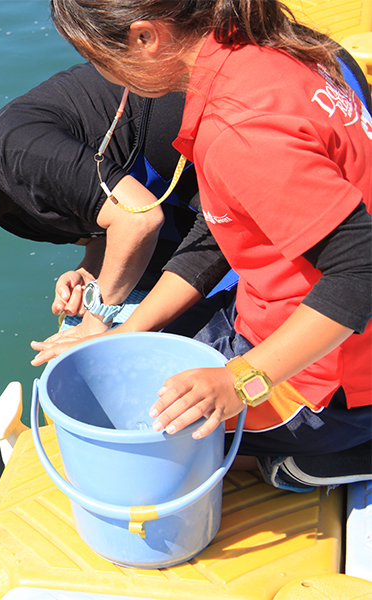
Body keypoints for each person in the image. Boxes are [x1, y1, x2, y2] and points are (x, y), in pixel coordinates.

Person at [33, 0, 371, 490]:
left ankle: (318, 458)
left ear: (147, 37)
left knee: (148, 439)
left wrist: (240, 383)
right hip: (273, 315)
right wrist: (122, 331)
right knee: (143, 370)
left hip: (333, 380)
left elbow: (360, 272)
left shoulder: (243, 128)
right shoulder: (256, 52)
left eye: (100, 58)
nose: (105, 77)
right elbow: (221, 227)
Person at [0, 62, 217, 339]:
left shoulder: (14, 153)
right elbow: (103, 232)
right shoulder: (7, 211)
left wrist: (96, 319)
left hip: (214, 141)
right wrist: (87, 272)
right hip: (185, 200)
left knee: (101, 336)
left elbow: (138, 220)